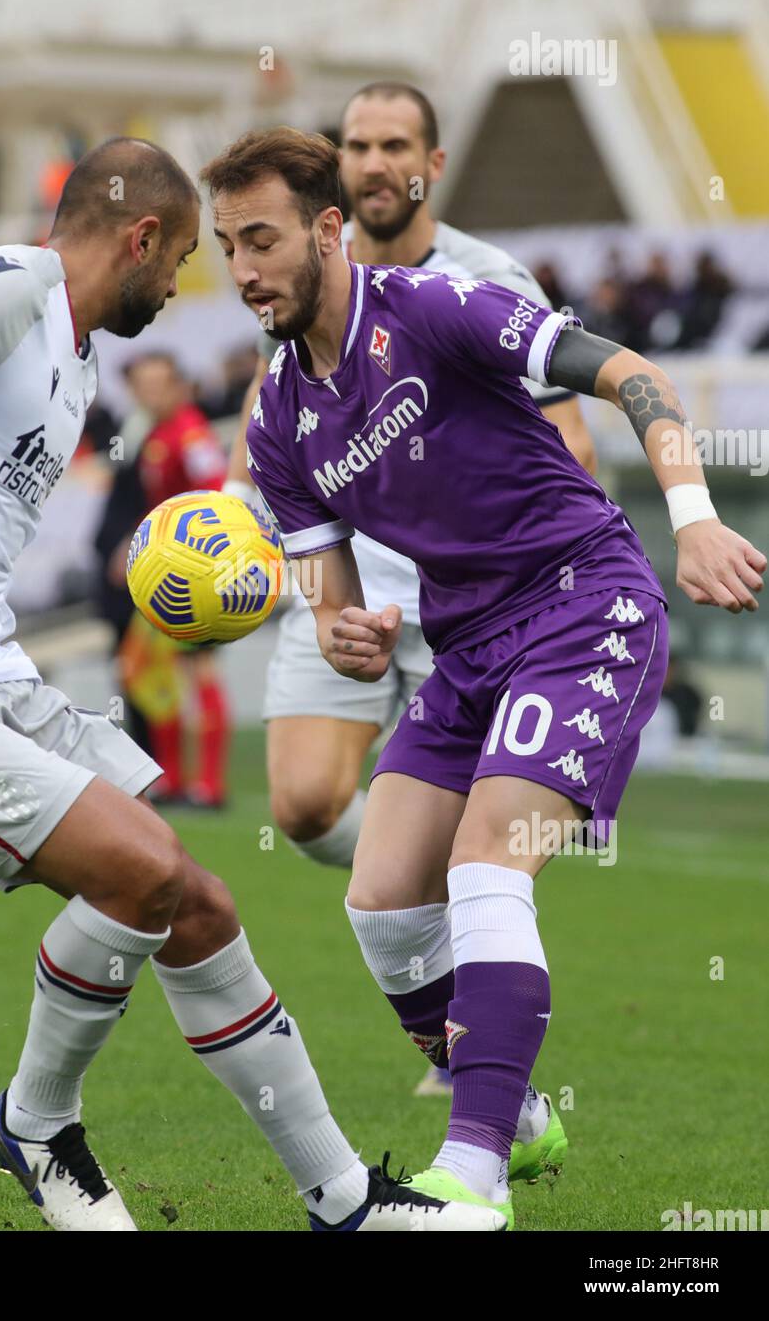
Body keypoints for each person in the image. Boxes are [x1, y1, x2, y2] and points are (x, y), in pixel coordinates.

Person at [0, 136, 499, 1233]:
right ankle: (35, 1120)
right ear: (143, 237)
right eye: (183, 264)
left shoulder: (77, 365)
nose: (181, 291)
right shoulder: (6, 291)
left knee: (195, 902)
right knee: (144, 874)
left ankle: (346, 1201)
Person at [201, 125, 765, 1230]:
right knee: (380, 907)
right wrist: (349, 633)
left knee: (486, 865)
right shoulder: (277, 418)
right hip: (464, 649)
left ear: (325, 229)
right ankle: (517, 1110)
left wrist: (693, 521)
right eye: (225, 247)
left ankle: (475, 1180)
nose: (243, 269)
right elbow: (328, 595)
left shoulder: (434, 305)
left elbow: (630, 375)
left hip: (582, 602)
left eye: (260, 238)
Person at [224, 81, 598, 1101]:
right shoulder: (293, 277)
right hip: (348, 573)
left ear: (431, 163)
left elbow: (567, 427)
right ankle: (443, 917)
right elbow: (272, 426)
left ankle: (467, 954)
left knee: (479, 834)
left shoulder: (481, 276)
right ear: (337, 174)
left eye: (397, 144)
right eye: (358, 143)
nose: (377, 159)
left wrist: (571, 576)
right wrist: (232, 533)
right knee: (302, 803)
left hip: (483, 590)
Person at [125, 351, 232, 809]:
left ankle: (206, 786)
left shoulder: (190, 432)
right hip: (166, 573)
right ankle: (171, 779)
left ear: (179, 386)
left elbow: (214, 495)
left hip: (189, 578)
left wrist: (183, 556)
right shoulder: (158, 433)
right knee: (142, 670)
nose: (150, 393)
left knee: (191, 670)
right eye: (142, 384)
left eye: (159, 383)